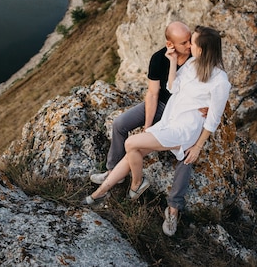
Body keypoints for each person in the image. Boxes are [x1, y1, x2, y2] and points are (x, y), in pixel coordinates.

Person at [82, 26, 231, 237]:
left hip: (186, 128)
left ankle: (149, 192)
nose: (190, 46)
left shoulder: (220, 81)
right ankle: (99, 194)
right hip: (170, 120)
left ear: (203, 50)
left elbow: (214, 118)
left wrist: (198, 146)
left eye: (193, 43)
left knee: (132, 144)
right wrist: (171, 62)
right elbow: (171, 88)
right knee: (136, 149)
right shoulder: (191, 65)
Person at [89, 21, 193, 185]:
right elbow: (152, 94)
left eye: (190, 39)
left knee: (145, 145)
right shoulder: (159, 59)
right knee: (119, 124)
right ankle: (113, 171)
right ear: (170, 44)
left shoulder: (196, 56)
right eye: (184, 42)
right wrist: (147, 126)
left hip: (179, 111)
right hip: (161, 105)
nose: (189, 45)